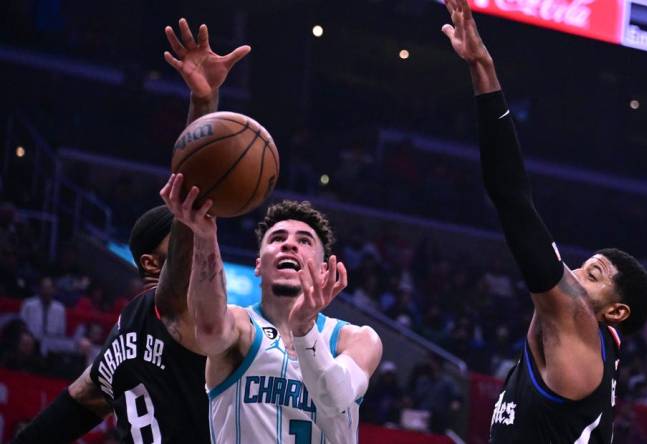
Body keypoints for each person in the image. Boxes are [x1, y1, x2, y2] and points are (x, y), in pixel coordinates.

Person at [11, 18, 250, 444]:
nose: (194, 240)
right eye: (181, 237)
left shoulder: (121, 339)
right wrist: (203, 104)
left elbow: (74, 406)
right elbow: (187, 223)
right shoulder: (172, 307)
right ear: (151, 262)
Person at [440, 1, 647, 442]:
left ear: (614, 312)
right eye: (581, 266)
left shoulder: (575, 320)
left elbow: (511, 196)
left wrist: (483, 69)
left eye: (592, 275)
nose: (572, 276)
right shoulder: (587, 338)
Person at [160, 176, 383, 443]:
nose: (289, 244)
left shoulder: (357, 339)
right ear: (258, 265)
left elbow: (336, 398)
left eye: (304, 241)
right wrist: (204, 236)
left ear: (324, 270)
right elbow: (209, 329)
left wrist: (304, 330)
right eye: (277, 239)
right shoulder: (242, 327)